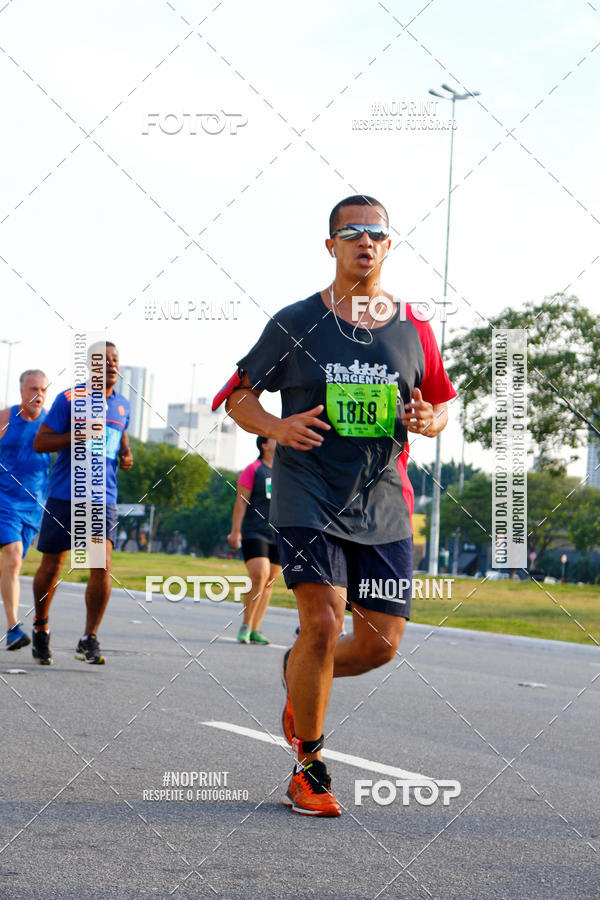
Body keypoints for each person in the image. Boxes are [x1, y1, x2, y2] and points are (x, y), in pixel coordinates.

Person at [222, 195, 456, 816]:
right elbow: (237, 397)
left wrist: (430, 419)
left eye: (376, 233)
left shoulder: (414, 327)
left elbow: (439, 403)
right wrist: (275, 425)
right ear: (331, 245)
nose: (365, 241)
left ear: (387, 245)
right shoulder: (295, 321)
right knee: (322, 622)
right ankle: (309, 765)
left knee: (380, 644)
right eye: (351, 231)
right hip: (307, 489)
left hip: (382, 496)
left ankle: (301, 669)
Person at [31, 341, 133, 665]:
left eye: (116, 360)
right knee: (52, 565)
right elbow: (41, 442)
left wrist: (127, 454)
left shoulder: (123, 406)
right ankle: (41, 627)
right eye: (105, 361)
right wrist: (78, 435)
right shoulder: (69, 398)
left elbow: (120, 438)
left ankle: (89, 638)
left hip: (103, 498)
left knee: (101, 566)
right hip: (65, 495)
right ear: (91, 366)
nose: (113, 366)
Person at [0, 370, 50, 650]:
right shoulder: (6, 419)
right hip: (4, 500)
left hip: (34, 506)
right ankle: (13, 628)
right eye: (33, 388)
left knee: (11, 564)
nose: (38, 394)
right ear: (21, 390)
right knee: (14, 556)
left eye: (43, 389)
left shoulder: (50, 423)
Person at [228, 436, 281, 644]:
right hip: (253, 532)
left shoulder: (285, 472)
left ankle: (256, 629)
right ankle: (246, 624)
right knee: (260, 574)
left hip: (277, 534)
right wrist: (235, 531)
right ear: (264, 445)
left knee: (269, 582)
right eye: (274, 439)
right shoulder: (253, 470)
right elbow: (240, 503)